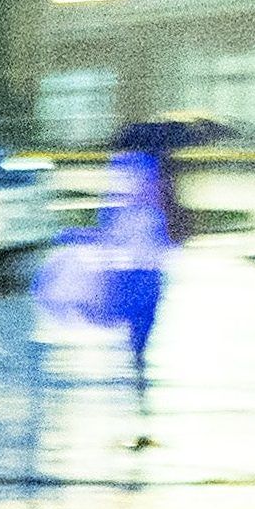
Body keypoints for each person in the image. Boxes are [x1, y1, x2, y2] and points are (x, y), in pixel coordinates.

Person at [96, 141, 178, 381]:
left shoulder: (151, 199)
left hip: (146, 266)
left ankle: (138, 352)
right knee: (141, 313)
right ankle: (137, 352)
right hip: (135, 267)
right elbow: (109, 227)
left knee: (145, 313)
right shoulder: (124, 199)